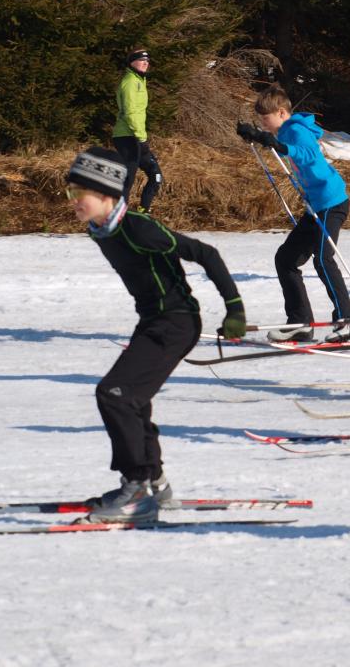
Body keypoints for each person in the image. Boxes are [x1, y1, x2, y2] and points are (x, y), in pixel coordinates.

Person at [65, 147, 246, 522]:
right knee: (133, 399)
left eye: (79, 193)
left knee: (115, 394)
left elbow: (206, 253)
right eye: (70, 192)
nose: (73, 201)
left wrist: (234, 307)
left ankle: (136, 492)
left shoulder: (137, 228)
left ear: (106, 194)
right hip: (153, 321)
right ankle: (154, 484)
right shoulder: (102, 229)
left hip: (175, 323)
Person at [235, 84, 350, 343]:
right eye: (261, 120)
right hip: (316, 206)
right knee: (286, 259)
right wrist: (257, 136)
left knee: (323, 260)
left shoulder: (296, 130)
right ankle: (300, 323)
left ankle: (347, 320)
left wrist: (276, 144)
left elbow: (307, 153)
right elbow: (279, 144)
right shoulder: (285, 131)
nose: (264, 123)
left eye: (266, 119)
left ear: (282, 113)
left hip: (331, 202)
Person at [113, 49, 163, 212]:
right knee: (127, 179)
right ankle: (117, 218)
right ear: (132, 62)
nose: (145, 63)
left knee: (156, 175)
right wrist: (141, 138)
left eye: (147, 61)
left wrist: (141, 138)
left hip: (136, 136)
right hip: (127, 137)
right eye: (141, 60)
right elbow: (131, 112)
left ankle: (143, 212)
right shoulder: (130, 82)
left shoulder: (139, 80)